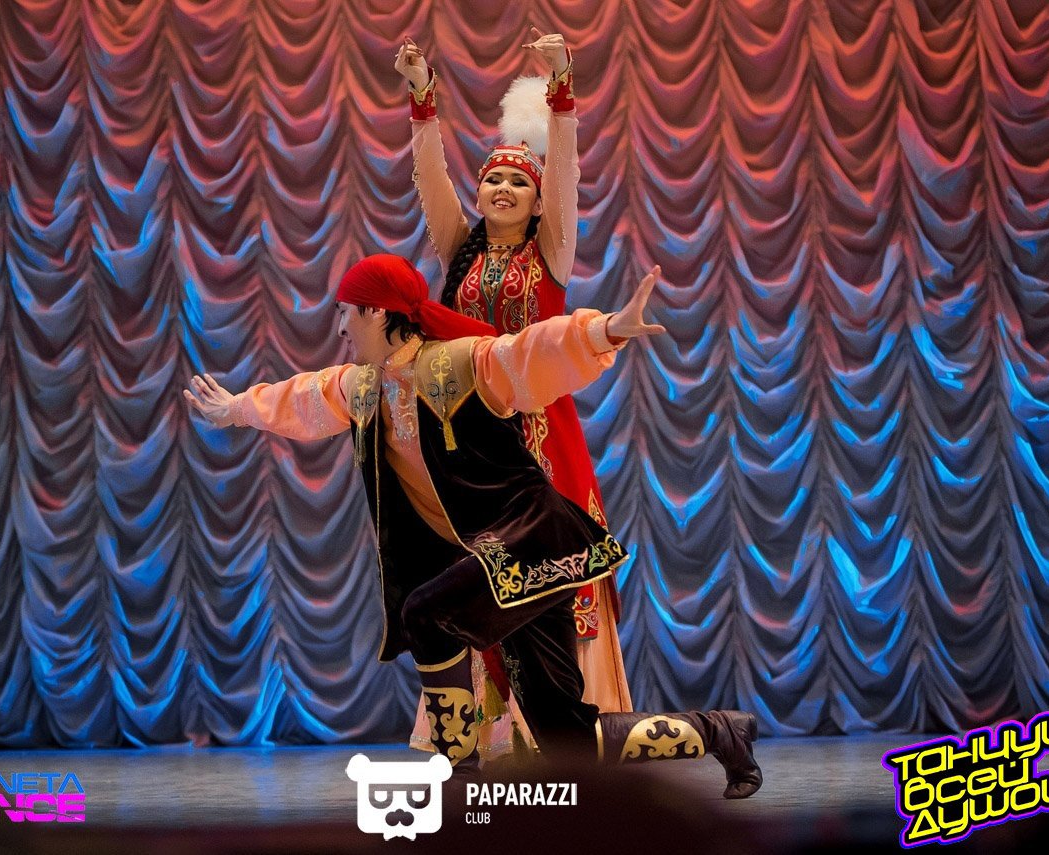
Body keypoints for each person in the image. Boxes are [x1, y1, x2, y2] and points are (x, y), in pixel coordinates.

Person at [184, 255, 762, 799]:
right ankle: (721, 731)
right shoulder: (362, 388)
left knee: (422, 612)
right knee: (569, 742)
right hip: (506, 563)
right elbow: (304, 397)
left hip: (534, 542)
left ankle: (458, 773)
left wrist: (605, 330)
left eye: (345, 312)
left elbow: (530, 351)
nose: (339, 328)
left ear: (377, 312)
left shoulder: (459, 364)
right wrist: (235, 409)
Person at [395, 29, 634, 757]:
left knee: (551, 585)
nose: (502, 188)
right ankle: (482, 743)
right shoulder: (460, 253)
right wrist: (422, 101)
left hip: (544, 443)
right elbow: (431, 183)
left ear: (535, 202)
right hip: (475, 448)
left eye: (518, 183)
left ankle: (567, 738)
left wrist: (562, 90)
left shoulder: (549, 253)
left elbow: (566, 177)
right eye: (492, 180)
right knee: (475, 578)